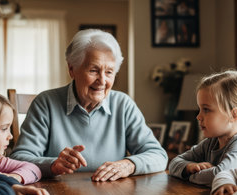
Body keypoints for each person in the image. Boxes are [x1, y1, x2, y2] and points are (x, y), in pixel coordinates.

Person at [10, 29, 168, 182]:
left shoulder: (123, 104)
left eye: (109, 72)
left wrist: (129, 164)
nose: (102, 81)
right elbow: (19, 157)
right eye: (94, 70)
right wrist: (53, 164)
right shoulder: (46, 103)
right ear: (72, 69)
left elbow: (158, 155)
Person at [168, 70, 237, 186]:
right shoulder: (211, 142)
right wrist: (188, 167)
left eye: (206, 109)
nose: (198, 116)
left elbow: (220, 175)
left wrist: (188, 175)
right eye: (199, 109)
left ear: (234, 115)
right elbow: (174, 163)